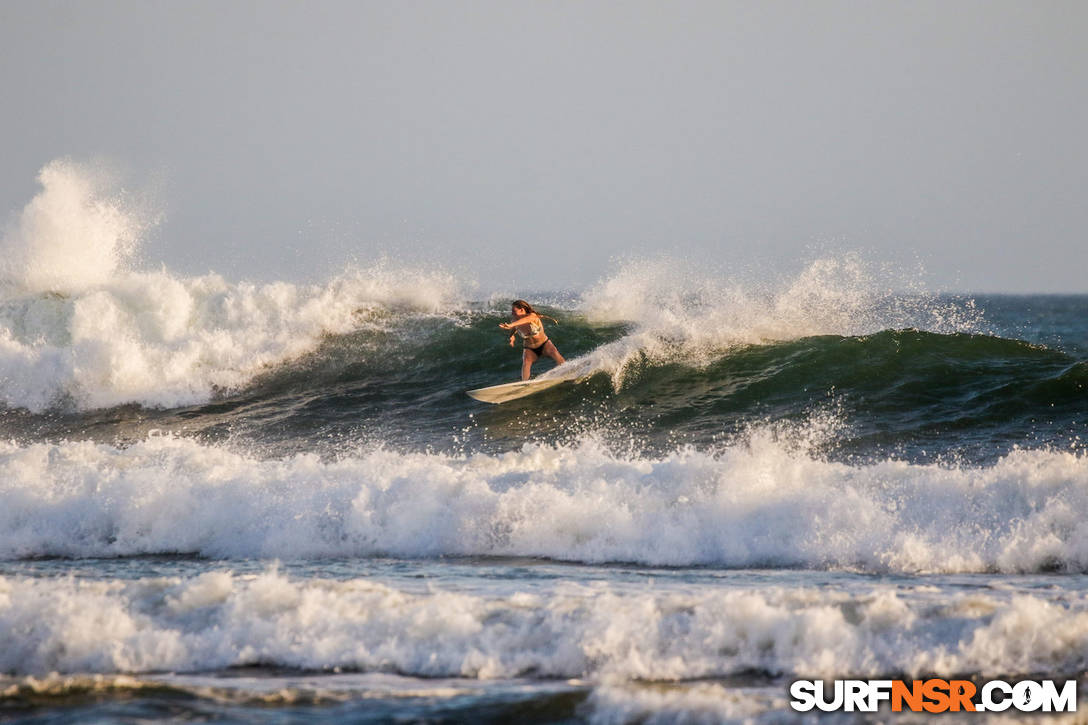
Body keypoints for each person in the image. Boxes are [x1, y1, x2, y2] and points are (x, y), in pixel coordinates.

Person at [499, 299, 565, 380]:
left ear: (522, 310)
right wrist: (512, 338)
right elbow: (513, 329)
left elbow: (525, 320)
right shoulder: (515, 321)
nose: (512, 313)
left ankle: (566, 371)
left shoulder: (532, 316)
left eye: (514, 310)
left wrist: (511, 325)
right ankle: (524, 383)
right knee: (526, 363)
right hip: (529, 348)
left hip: (544, 344)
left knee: (556, 355)